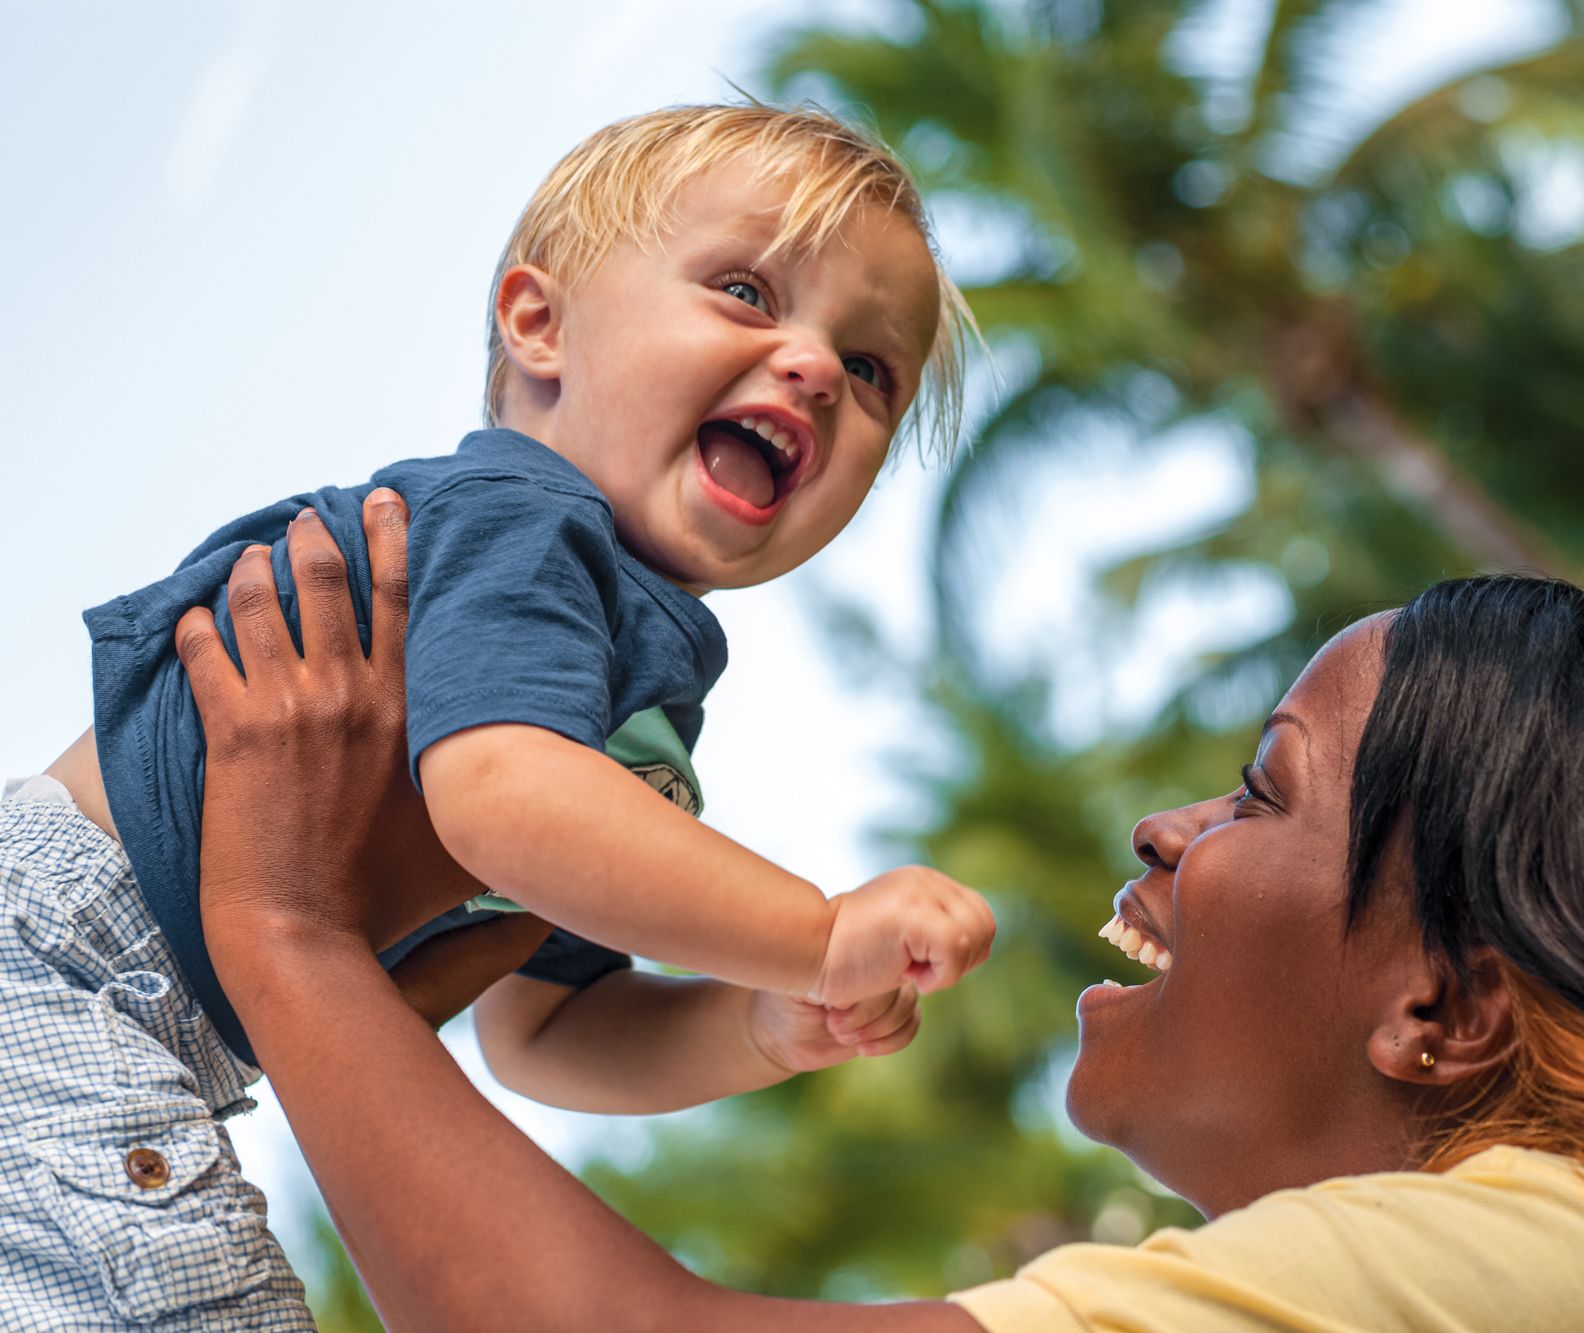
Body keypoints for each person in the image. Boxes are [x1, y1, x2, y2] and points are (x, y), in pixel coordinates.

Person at [179, 498, 1584, 1330]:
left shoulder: (1547, 1258)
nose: (1166, 824)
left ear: (1446, 1013)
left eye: (1263, 785)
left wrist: (282, 926)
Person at [1, 103, 993, 1326]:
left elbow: (543, 1028)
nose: (812, 368)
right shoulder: (524, 521)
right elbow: (500, 797)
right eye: (745, 291)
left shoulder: (634, 708)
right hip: (58, 965)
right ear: (540, 325)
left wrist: (759, 1022)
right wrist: (815, 930)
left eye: (869, 369)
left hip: (135, 1024)